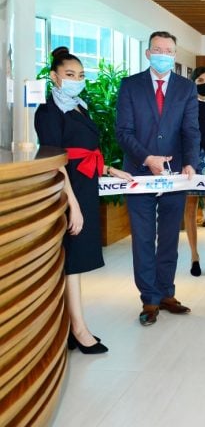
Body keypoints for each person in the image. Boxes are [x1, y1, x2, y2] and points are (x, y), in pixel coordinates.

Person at [35, 47, 133, 353]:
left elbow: (84, 151)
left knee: (75, 261)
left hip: (85, 185)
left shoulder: (79, 106)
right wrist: (72, 205)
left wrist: (110, 169)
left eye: (80, 75)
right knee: (72, 261)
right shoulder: (48, 112)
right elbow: (56, 161)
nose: (76, 80)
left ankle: (72, 327)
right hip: (68, 190)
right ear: (54, 77)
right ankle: (78, 329)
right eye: (69, 74)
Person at [116, 31, 200, 326]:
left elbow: (191, 130)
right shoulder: (130, 86)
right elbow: (123, 132)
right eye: (158, 49)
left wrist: (190, 163)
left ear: (174, 55)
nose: (163, 54)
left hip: (175, 176)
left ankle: (166, 293)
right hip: (139, 174)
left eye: (168, 50)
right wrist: (147, 158)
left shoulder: (186, 88)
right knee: (142, 238)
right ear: (148, 53)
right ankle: (149, 299)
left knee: (169, 237)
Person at [184, 66, 205, 277]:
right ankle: (194, 256)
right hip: (190, 161)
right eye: (200, 80)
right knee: (190, 208)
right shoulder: (186, 107)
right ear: (193, 82)